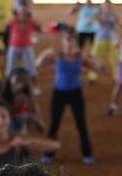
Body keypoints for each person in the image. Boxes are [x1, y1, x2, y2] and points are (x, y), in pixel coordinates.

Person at [37, 28, 103, 165]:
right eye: (66, 39)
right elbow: (38, 63)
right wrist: (46, 53)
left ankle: (87, 154)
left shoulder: (80, 57)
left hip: (75, 94)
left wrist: (94, 61)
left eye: (71, 39)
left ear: (75, 42)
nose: (69, 42)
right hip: (59, 94)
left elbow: (99, 69)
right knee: (54, 125)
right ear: (62, 41)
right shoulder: (57, 55)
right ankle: (48, 153)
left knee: (81, 124)